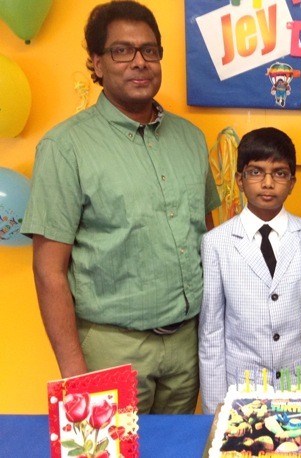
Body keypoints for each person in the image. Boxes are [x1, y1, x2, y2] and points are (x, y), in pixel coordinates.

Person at [21, 0, 220, 414]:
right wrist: (75, 373)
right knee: (110, 447)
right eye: (121, 51)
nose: (139, 62)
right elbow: (48, 270)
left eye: (149, 50)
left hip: (187, 348)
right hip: (110, 350)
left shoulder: (191, 139)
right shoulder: (65, 148)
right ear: (96, 63)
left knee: (178, 445)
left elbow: (207, 236)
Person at [199, 127, 301, 414]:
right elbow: (211, 332)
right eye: (256, 172)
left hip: (298, 386)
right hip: (242, 388)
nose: (268, 183)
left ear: (292, 182)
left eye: (279, 173)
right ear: (240, 180)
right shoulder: (216, 242)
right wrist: (215, 408)